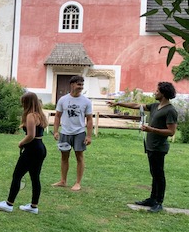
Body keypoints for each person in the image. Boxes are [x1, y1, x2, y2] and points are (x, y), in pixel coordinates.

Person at [107, 82, 178, 213]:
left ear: (163, 93)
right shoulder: (155, 106)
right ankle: (152, 199)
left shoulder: (170, 110)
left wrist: (151, 129)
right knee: (154, 173)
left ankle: (159, 202)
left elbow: (171, 132)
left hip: (159, 147)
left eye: (157, 91)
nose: (154, 92)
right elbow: (136, 105)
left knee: (159, 174)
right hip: (151, 146)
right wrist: (118, 104)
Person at [0, 92, 48, 214]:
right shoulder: (40, 115)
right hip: (41, 148)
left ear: (28, 102)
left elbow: (31, 135)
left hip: (32, 149)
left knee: (17, 175)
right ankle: (34, 206)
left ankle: (9, 204)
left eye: (23, 102)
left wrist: (21, 142)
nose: (22, 105)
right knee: (35, 177)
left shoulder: (30, 116)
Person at [52, 75, 93, 191]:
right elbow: (57, 116)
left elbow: (89, 119)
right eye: (79, 84)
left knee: (79, 157)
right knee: (64, 157)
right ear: (72, 85)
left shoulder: (86, 101)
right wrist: (56, 131)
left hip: (79, 133)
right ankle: (63, 181)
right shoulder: (63, 100)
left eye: (82, 85)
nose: (81, 87)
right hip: (65, 132)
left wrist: (89, 136)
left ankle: (78, 183)